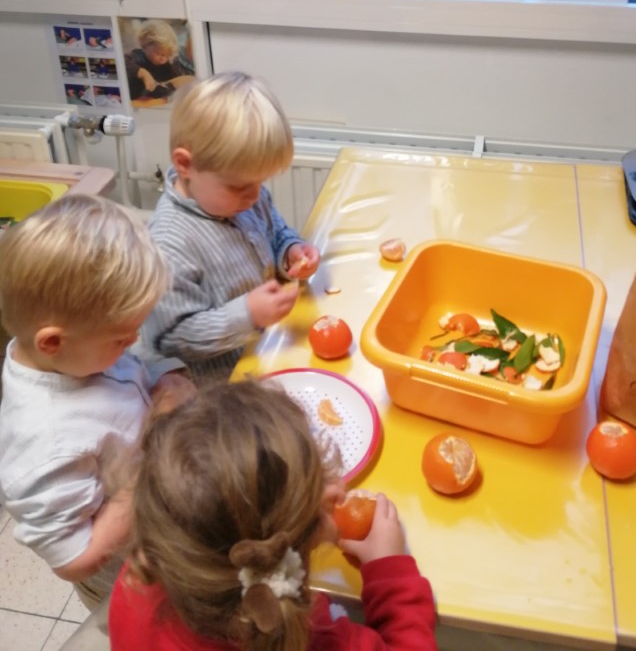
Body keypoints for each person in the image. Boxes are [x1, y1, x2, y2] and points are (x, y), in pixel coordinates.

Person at [108, 378, 438, 650]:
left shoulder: (139, 580)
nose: (337, 487)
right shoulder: (325, 642)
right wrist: (390, 571)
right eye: (319, 476)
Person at [0, 195, 195, 608]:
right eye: (121, 338)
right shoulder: (46, 445)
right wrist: (152, 460)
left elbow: (124, 366)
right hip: (129, 578)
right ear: (52, 341)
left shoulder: (73, 352)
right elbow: (76, 559)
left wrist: (164, 376)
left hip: (163, 522)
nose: (133, 342)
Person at [138, 71, 320, 382]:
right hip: (225, 385)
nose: (255, 195)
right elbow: (170, 339)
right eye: (238, 186)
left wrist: (291, 250)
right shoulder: (168, 244)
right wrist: (247, 314)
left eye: (261, 182)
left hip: (269, 350)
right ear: (185, 165)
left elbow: (275, 232)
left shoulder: (245, 197)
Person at [123, 18, 196, 103]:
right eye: (159, 53)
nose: (163, 59)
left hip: (151, 101)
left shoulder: (165, 66)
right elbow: (122, 63)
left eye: (167, 56)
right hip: (133, 100)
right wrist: (142, 72)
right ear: (145, 44)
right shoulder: (136, 56)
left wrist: (172, 84)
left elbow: (170, 82)